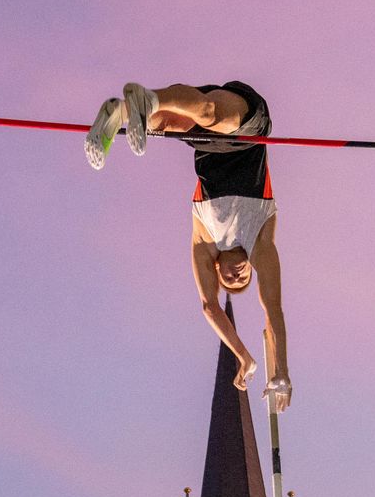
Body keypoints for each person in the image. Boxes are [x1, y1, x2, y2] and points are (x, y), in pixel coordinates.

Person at [87, 82, 291, 410]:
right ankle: (146, 99)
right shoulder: (261, 239)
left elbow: (209, 305)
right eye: (245, 278)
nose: (239, 276)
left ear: (216, 268)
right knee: (211, 112)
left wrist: (244, 356)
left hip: (207, 146)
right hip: (246, 132)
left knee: (164, 123)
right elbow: (272, 308)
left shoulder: (204, 239)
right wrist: (280, 370)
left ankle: (120, 111)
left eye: (231, 280)